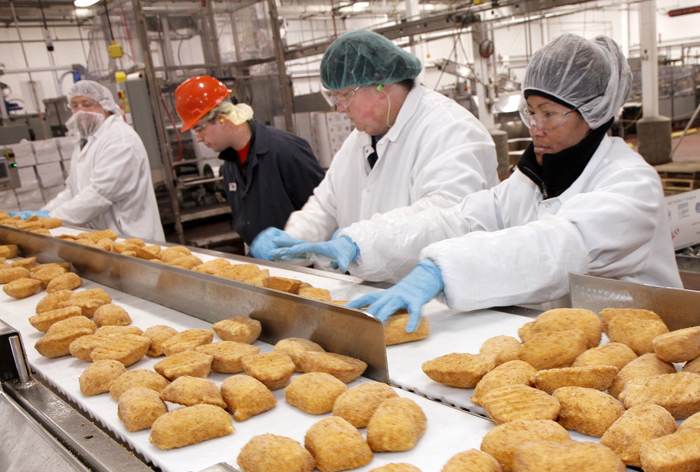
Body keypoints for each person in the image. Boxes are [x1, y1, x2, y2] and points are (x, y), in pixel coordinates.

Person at [284, 34, 683, 332]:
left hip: (643, 352)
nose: (535, 127)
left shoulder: (631, 184)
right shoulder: (530, 181)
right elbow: (460, 219)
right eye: (530, 111)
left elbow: (558, 246)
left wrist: (444, 270)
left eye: (550, 113)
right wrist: (364, 241)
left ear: (593, 113)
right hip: (567, 344)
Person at [249, 30, 498, 266]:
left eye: (345, 95)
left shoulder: (450, 130)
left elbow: (444, 218)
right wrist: (290, 243)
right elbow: (325, 207)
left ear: (383, 87)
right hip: (374, 297)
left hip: (440, 300)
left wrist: (359, 242)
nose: (339, 108)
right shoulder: (358, 140)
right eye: (334, 97)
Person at [174, 75, 325, 248]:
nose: (199, 138)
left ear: (222, 118)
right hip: (267, 266)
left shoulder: (286, 150)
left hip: (304, 266)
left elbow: (325, 212)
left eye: (199, 128)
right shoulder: (230, 165)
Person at [26, 81, 164, 240]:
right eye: (75, 106)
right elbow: (73, 190)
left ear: (105, 106)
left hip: (130, 236)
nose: (80, 111)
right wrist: (43, 213)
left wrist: (51, 220)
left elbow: (98, 195)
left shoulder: (120, 139)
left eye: (87, 104)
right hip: (105, 238)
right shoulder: (86, 141)